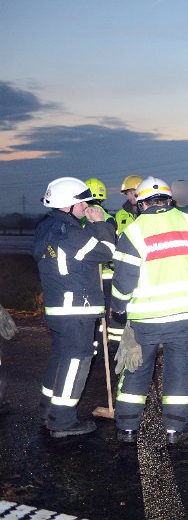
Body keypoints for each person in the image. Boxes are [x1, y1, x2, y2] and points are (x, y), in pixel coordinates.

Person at [111, 176, 188, 444]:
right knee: (180, 370)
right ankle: (174, 430)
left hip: (145, 319)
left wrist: (118, 307)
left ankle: (127, 429)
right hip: (184, 316)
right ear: (169, 200)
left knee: (135, 369)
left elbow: (123, 278)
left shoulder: (133, 231)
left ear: (142, 204)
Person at [32, 177, 116, 437]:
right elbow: (106, 251)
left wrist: (88, 226)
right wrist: (101, 223)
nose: (85, 206)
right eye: (82, 202)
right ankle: (63, 420)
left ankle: (48, 410)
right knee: (76, 362)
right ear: (68, 205)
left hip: (59, 309)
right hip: (76, 310)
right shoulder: (69, 233)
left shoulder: (48, 228)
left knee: (60, 359)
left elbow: (82, 253)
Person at [84, 177, 124, 348]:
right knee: (109, 311)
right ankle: (112, 346)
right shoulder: (109, 218)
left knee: (90, 311)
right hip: (109, 275)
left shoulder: (80, 217)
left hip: (89, 274)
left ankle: (93, 345)